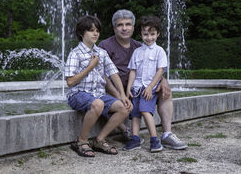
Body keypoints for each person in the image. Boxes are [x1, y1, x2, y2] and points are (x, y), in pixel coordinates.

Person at [99, 9, 188, 150]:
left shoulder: (140, 46)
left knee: (165, 91)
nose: (124, 28)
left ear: (134, 27)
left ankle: (167, 134)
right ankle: (127, 132)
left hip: (139, 87)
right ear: (114, 27)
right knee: (122, 104)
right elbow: (102, 76)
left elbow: (155, 69)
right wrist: (120, 95)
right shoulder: (105, 46)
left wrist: (163, 81)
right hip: (115, 89)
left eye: (128, 24)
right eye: (120, 25)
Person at [65, 15, 132, 157]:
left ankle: (99, 140)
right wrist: (90, 67)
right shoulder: (75, 54)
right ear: (81, 33)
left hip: (98, 95)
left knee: (125, 107)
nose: (95, 33)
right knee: (98, 104)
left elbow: (114, 74)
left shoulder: (101, 52)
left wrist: (122, 95)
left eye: (97, 30)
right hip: (78, 93)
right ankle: (82, 141)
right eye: (91, 30)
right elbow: (70, 82)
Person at [123, 16, 167, 152]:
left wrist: (150, 87)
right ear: (141, 34)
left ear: (158, 34)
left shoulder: (159, 51)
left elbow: (160, 71)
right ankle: (135, 139)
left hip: (150, 88)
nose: (149, 37)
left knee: (145, 110)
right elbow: (132, 71)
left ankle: (155, 140)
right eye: (145, 34)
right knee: (135, 114)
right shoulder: (137, 52)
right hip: (136, 88)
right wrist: (128, 88)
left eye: (152, 34)